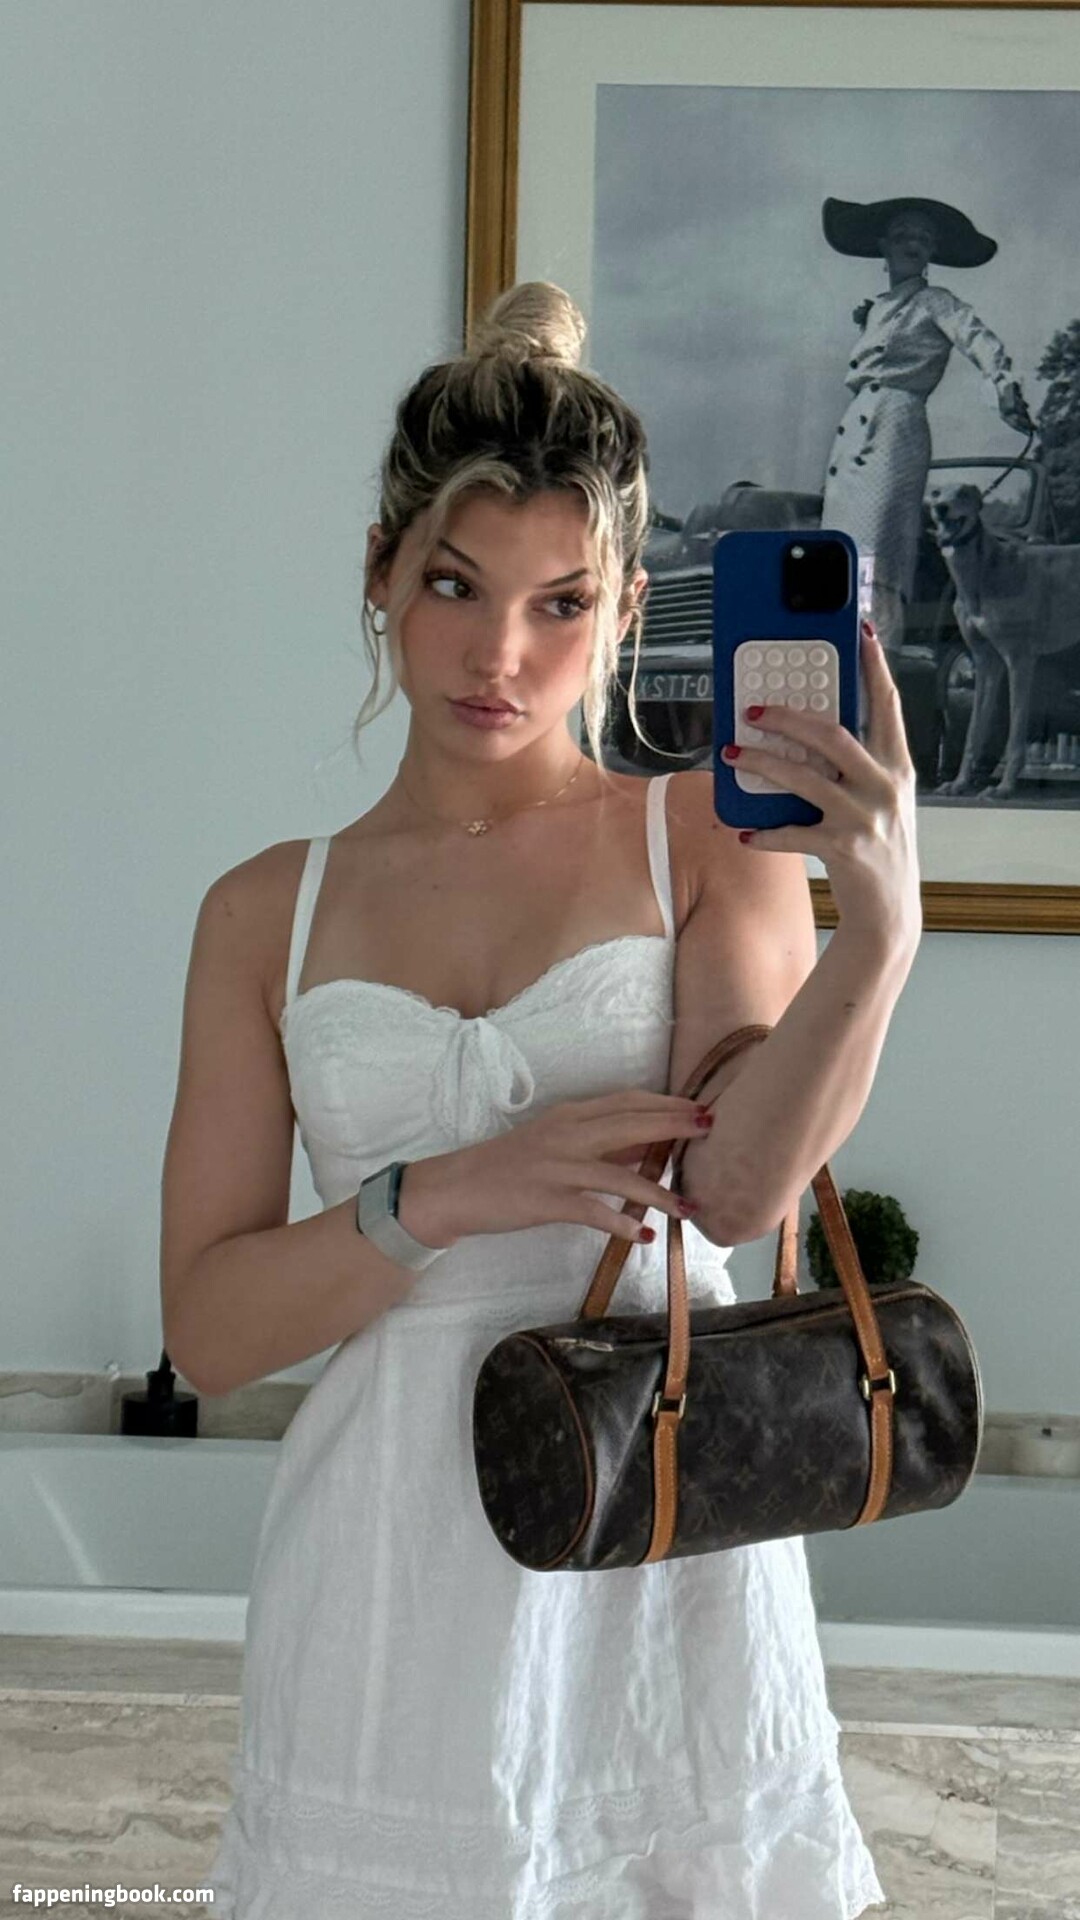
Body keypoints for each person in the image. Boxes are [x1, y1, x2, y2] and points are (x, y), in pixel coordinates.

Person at [161, 278, 921, 1916]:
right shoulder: (263, 910)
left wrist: (885, 936)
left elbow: (738, 1198)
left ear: (629, 605)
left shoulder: (700, 838)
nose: (500, 655)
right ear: (380, 572)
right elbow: (211, 1332)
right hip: (386, 1587)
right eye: (455, 585)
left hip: (658, 1568)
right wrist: (442, 1196)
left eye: (561, 603)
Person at [820, 194, 1033, 656]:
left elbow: (976, 336)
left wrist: (1001, 381)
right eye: (902, 235)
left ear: (933, 251)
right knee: (841, 561)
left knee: (878, 558)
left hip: (895, 430)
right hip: (851, 439)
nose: (912, 244)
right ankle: (839, 668)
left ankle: (874, 674)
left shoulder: (936, 301)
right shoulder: (878, 309)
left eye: (923, 238)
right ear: (883, 246)